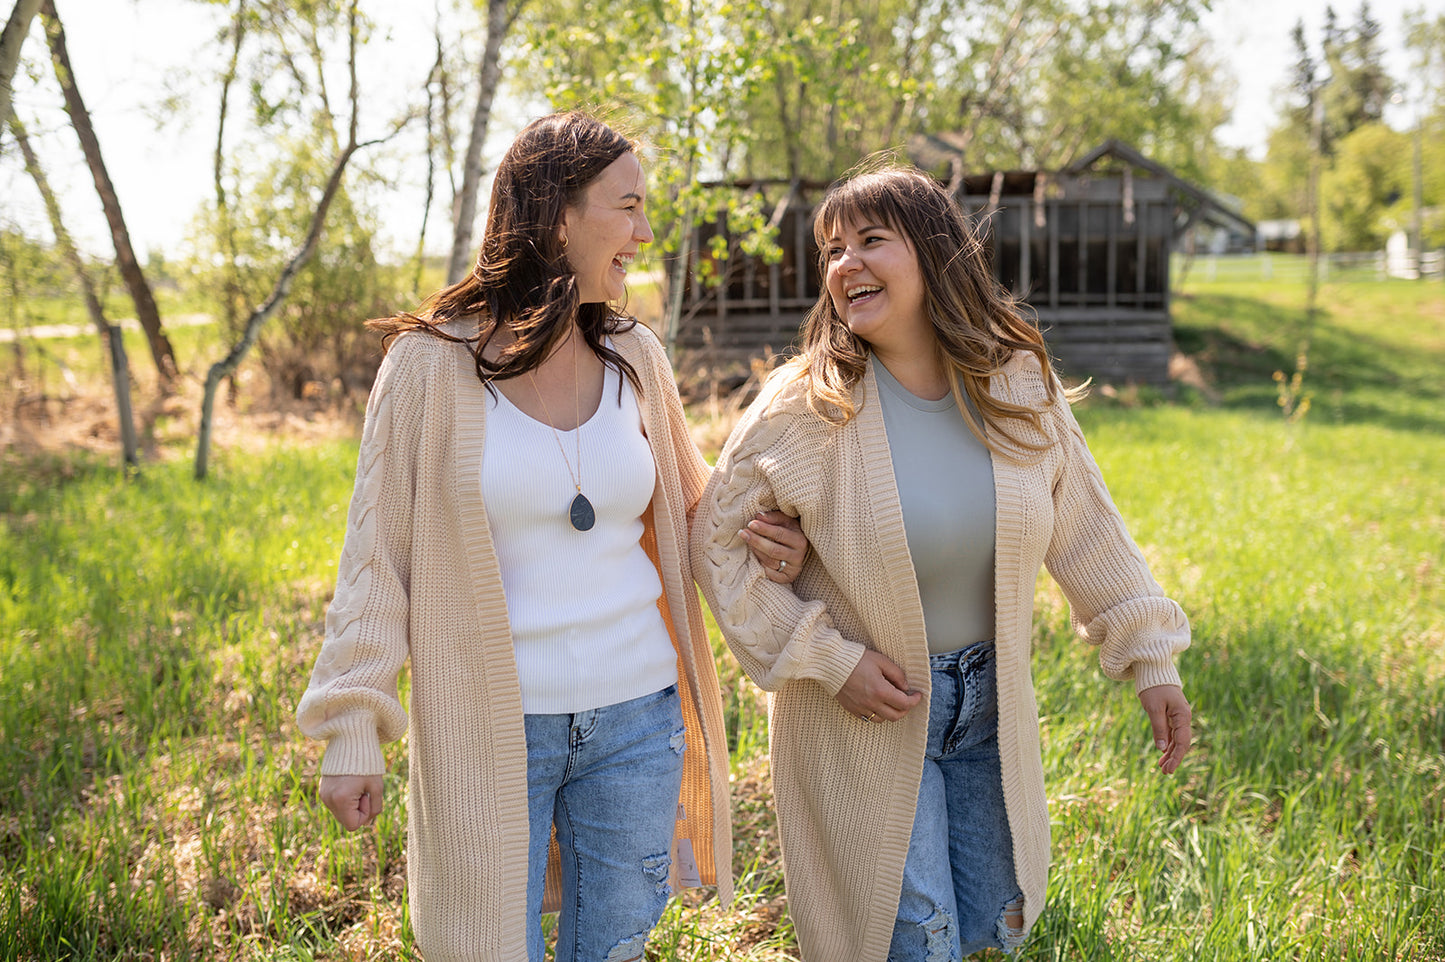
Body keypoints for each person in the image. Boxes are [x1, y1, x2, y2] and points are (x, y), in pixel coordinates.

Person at [296, 111, 808, 962]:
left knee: (613, 950)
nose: (645, 234)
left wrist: (778, 542)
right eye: (629, 207)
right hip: (492, 727)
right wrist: (353, 725)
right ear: (556, 216)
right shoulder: (429, 366)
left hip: (640, 720)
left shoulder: (635, 355)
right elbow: (376, 560)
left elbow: (695, 515)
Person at [691, 163, 1193, 962]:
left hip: (991, 708)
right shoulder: (805, 406)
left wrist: (1151, 661)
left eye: (870, 241)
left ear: (934, 252)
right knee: (912, 938)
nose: (844, 263)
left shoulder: (1013, 380)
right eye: (831, 249)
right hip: (864, 712)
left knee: (998, 925)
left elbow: (1088, 527)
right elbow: (715, 542)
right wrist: (825, 658)